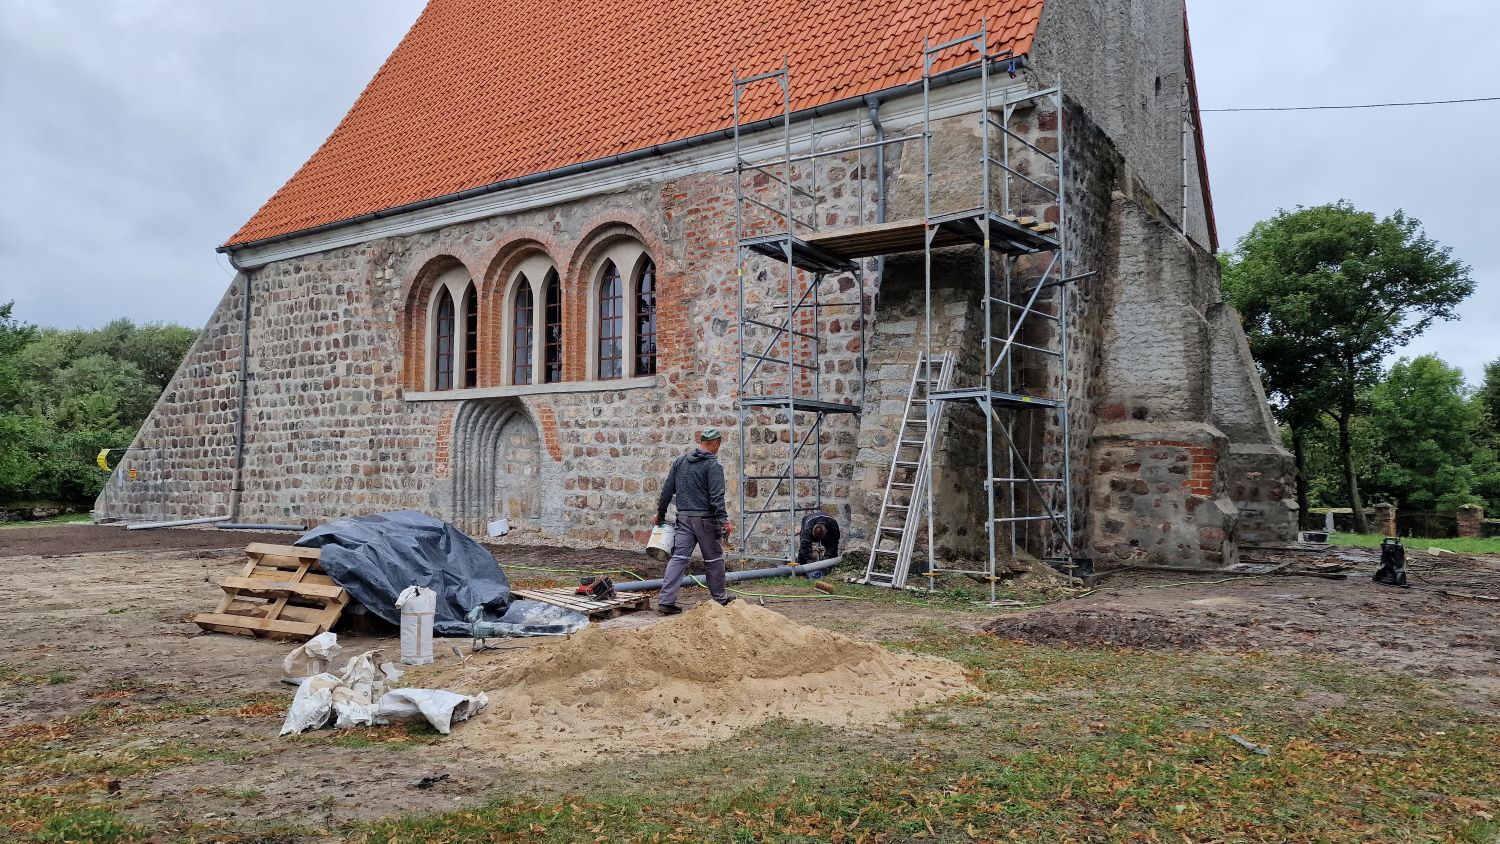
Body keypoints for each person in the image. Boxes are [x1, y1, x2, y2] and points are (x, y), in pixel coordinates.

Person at [653, 427, 735, 614]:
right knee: (714, 560)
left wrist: (661, 514)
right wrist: (724, 520)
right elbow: (716, 496)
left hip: (683, 519)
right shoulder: (713, 465)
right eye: (718, 446)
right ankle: (720, 599)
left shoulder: (680, 461)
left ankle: (666, 601)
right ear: (715, 443)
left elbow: (666, 491)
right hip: (706, 520)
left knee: (679, 558)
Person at [796, 510, 841, 577]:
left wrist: (828, 555)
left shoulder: (833, 526)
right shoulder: (808, 528)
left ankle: (831, 571)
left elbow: (834, 542)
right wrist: (809, 560)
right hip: (808, 519)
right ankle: (801, 571)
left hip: (828, 526)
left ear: (827, 531)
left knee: (833, 551)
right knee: (803, 550)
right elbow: (804, 544)